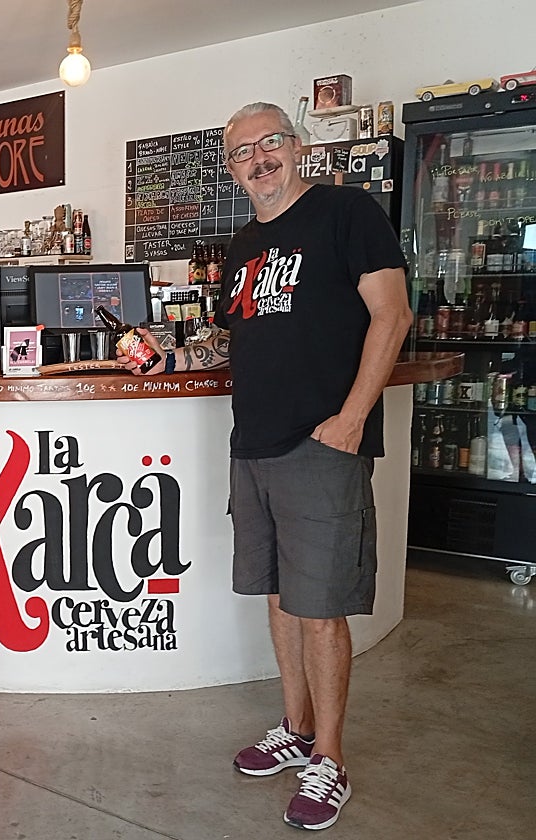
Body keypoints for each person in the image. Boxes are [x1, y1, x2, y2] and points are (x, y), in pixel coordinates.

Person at [121, 102, 411, 830]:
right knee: (279, 599)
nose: (259, 159)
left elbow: (393, 314)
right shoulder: (243, 243)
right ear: (231, 169)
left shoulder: (348, 212)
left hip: (321, 446)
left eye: (270, 143)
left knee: (320, 611)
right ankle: (295, 728)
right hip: (252, 443)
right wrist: (173, 355)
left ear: (298, 146)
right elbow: (231, 337)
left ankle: (331, 759)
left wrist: (350, 420)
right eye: (242, 152)